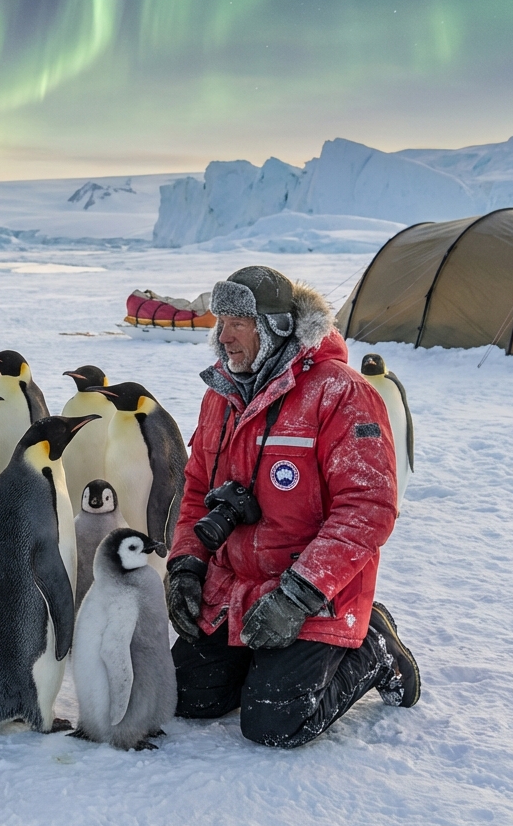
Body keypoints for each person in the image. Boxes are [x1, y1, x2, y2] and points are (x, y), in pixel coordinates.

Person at [166, 265, 421, 748]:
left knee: (273, 724)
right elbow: (197, 488)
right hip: (237, 589)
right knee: (188, 696)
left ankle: (373, 645)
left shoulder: (340, 393)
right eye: (221, 323)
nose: (224, 337)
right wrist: (186, 565)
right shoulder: (220, 395)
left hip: (316, 591)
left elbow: (368, 508)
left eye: (238, 324)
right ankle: (265, 662)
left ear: (275, 326)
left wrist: (297, 595)